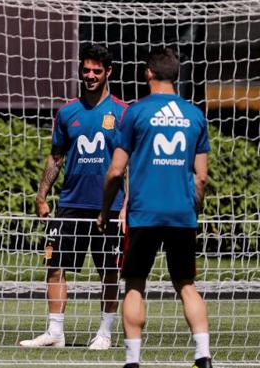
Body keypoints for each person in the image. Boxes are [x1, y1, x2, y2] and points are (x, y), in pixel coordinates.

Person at [97, 47, 212, 368]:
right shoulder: (195, 115)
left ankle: (133, 361)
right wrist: (193, 210)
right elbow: (201, 177)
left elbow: (116, 170)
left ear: (148, 72)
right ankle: (203, 356)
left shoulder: (135, 113)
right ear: (176, 75)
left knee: (134, 284)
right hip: (181, 213)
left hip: (144, 213)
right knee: (186, 285)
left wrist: (106, 210)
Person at [20, 44, 127, 350]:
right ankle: (55, 333)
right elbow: (55, 158)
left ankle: (104, 334)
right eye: (86, 70)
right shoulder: (67, 112)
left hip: (109, 208)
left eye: (96, 71)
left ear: (108, 72)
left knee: (108, 271)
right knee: (54, 265)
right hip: (69, 205)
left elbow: (129, 164)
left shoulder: (122, 112)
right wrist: (42, 196)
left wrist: (127, 207)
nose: (90, 76)